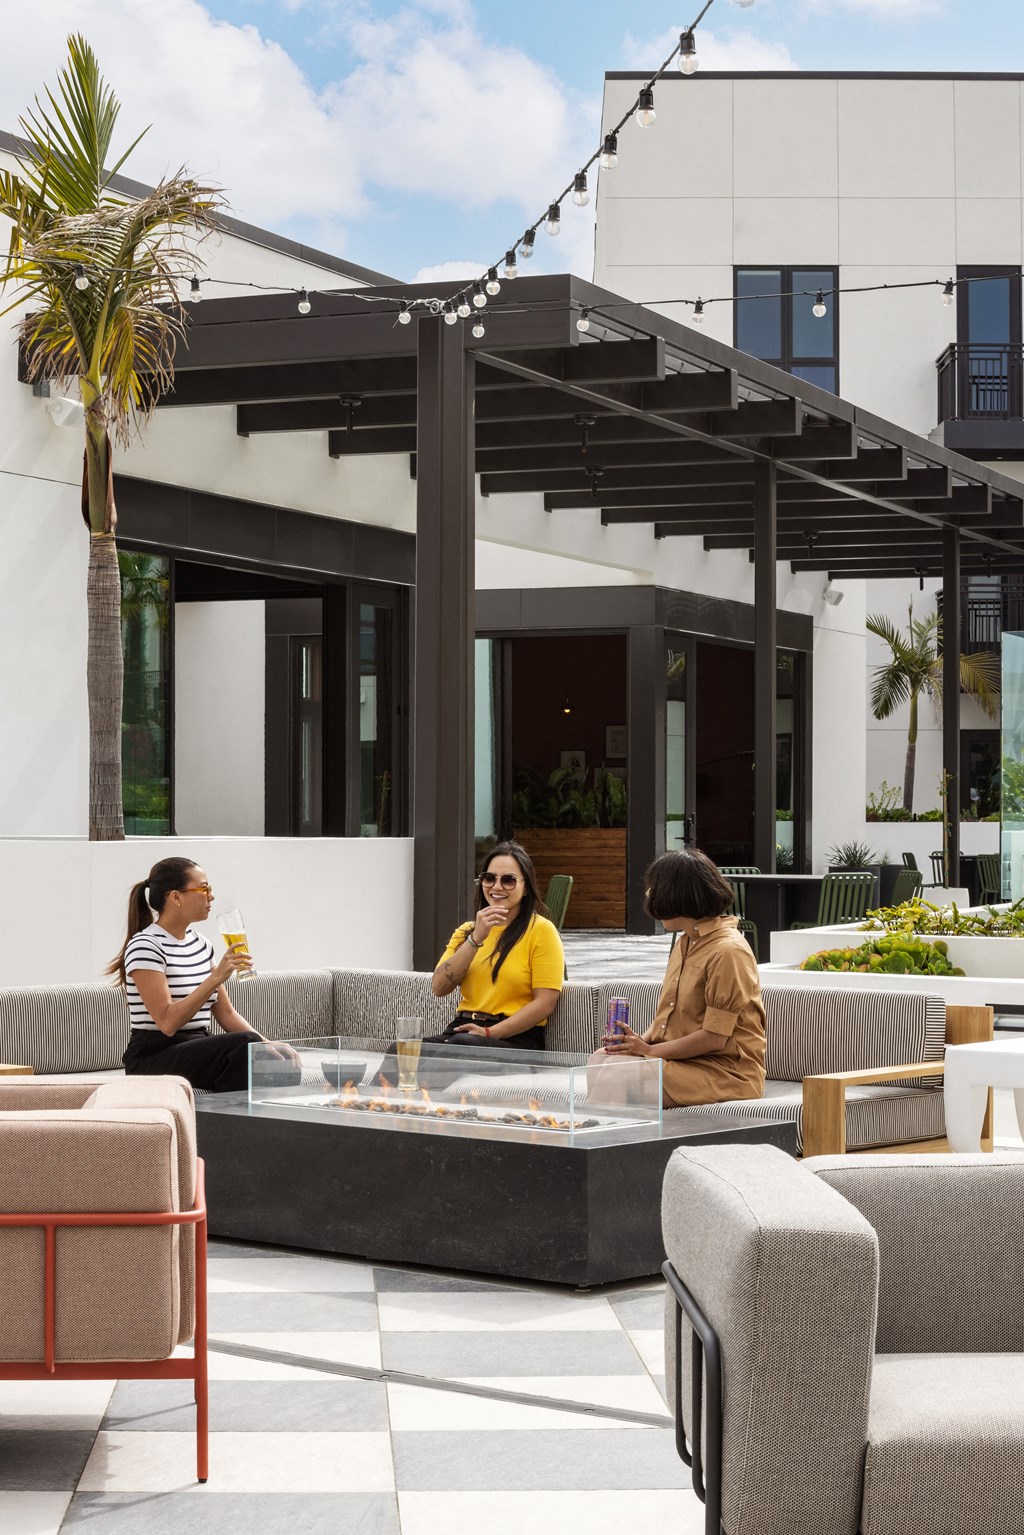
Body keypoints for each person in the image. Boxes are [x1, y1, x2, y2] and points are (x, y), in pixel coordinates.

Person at [591, 849, 766, 1108]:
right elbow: (666, 1020)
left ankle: (602, 1145)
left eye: (653, 890)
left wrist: (648, 1051)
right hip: (682, 1062)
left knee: (617, 1071)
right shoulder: (686, 943)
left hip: (725, 1072)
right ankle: (612, 1142)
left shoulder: (728, 951)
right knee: (600, 1058)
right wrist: (635, 1042)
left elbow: (715, 1038)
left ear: (676, 895)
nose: (649, 898)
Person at [108, 856, 282, 1093]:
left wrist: (269, 1045)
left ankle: (262, 1127)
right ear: (176, 897)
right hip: (153, 1056)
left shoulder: (201, 944)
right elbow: (167, 1023)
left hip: (196, 1047)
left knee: (279, 1063)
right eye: (203, 889)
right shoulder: (145, 946)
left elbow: (228, 1015)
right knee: (246, 1045)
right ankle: (230, 1125)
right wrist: (215, 978)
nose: (211, 896)